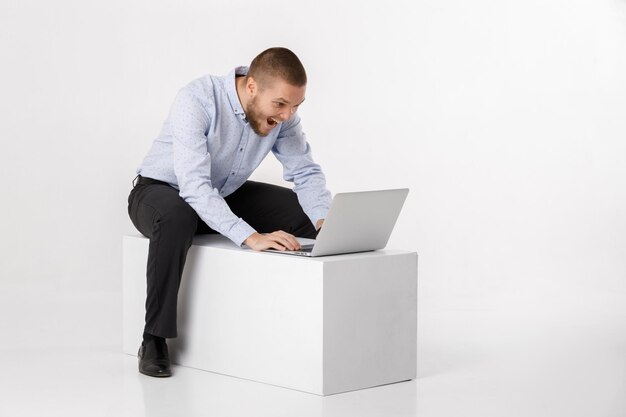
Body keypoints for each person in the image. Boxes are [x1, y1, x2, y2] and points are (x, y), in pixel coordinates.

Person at [127, 47, 332, 377]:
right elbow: (193, 185)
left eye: (296, 106)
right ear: (251, 87)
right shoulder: (197, 99)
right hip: (159, 191)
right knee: (177, 216)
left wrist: (325, 222)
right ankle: (153, 338)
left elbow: (305, 171)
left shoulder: (285, 117)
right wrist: (249, 237)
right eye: (280, 104)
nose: (287, 115)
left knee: (306, 213)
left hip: (221, 192)